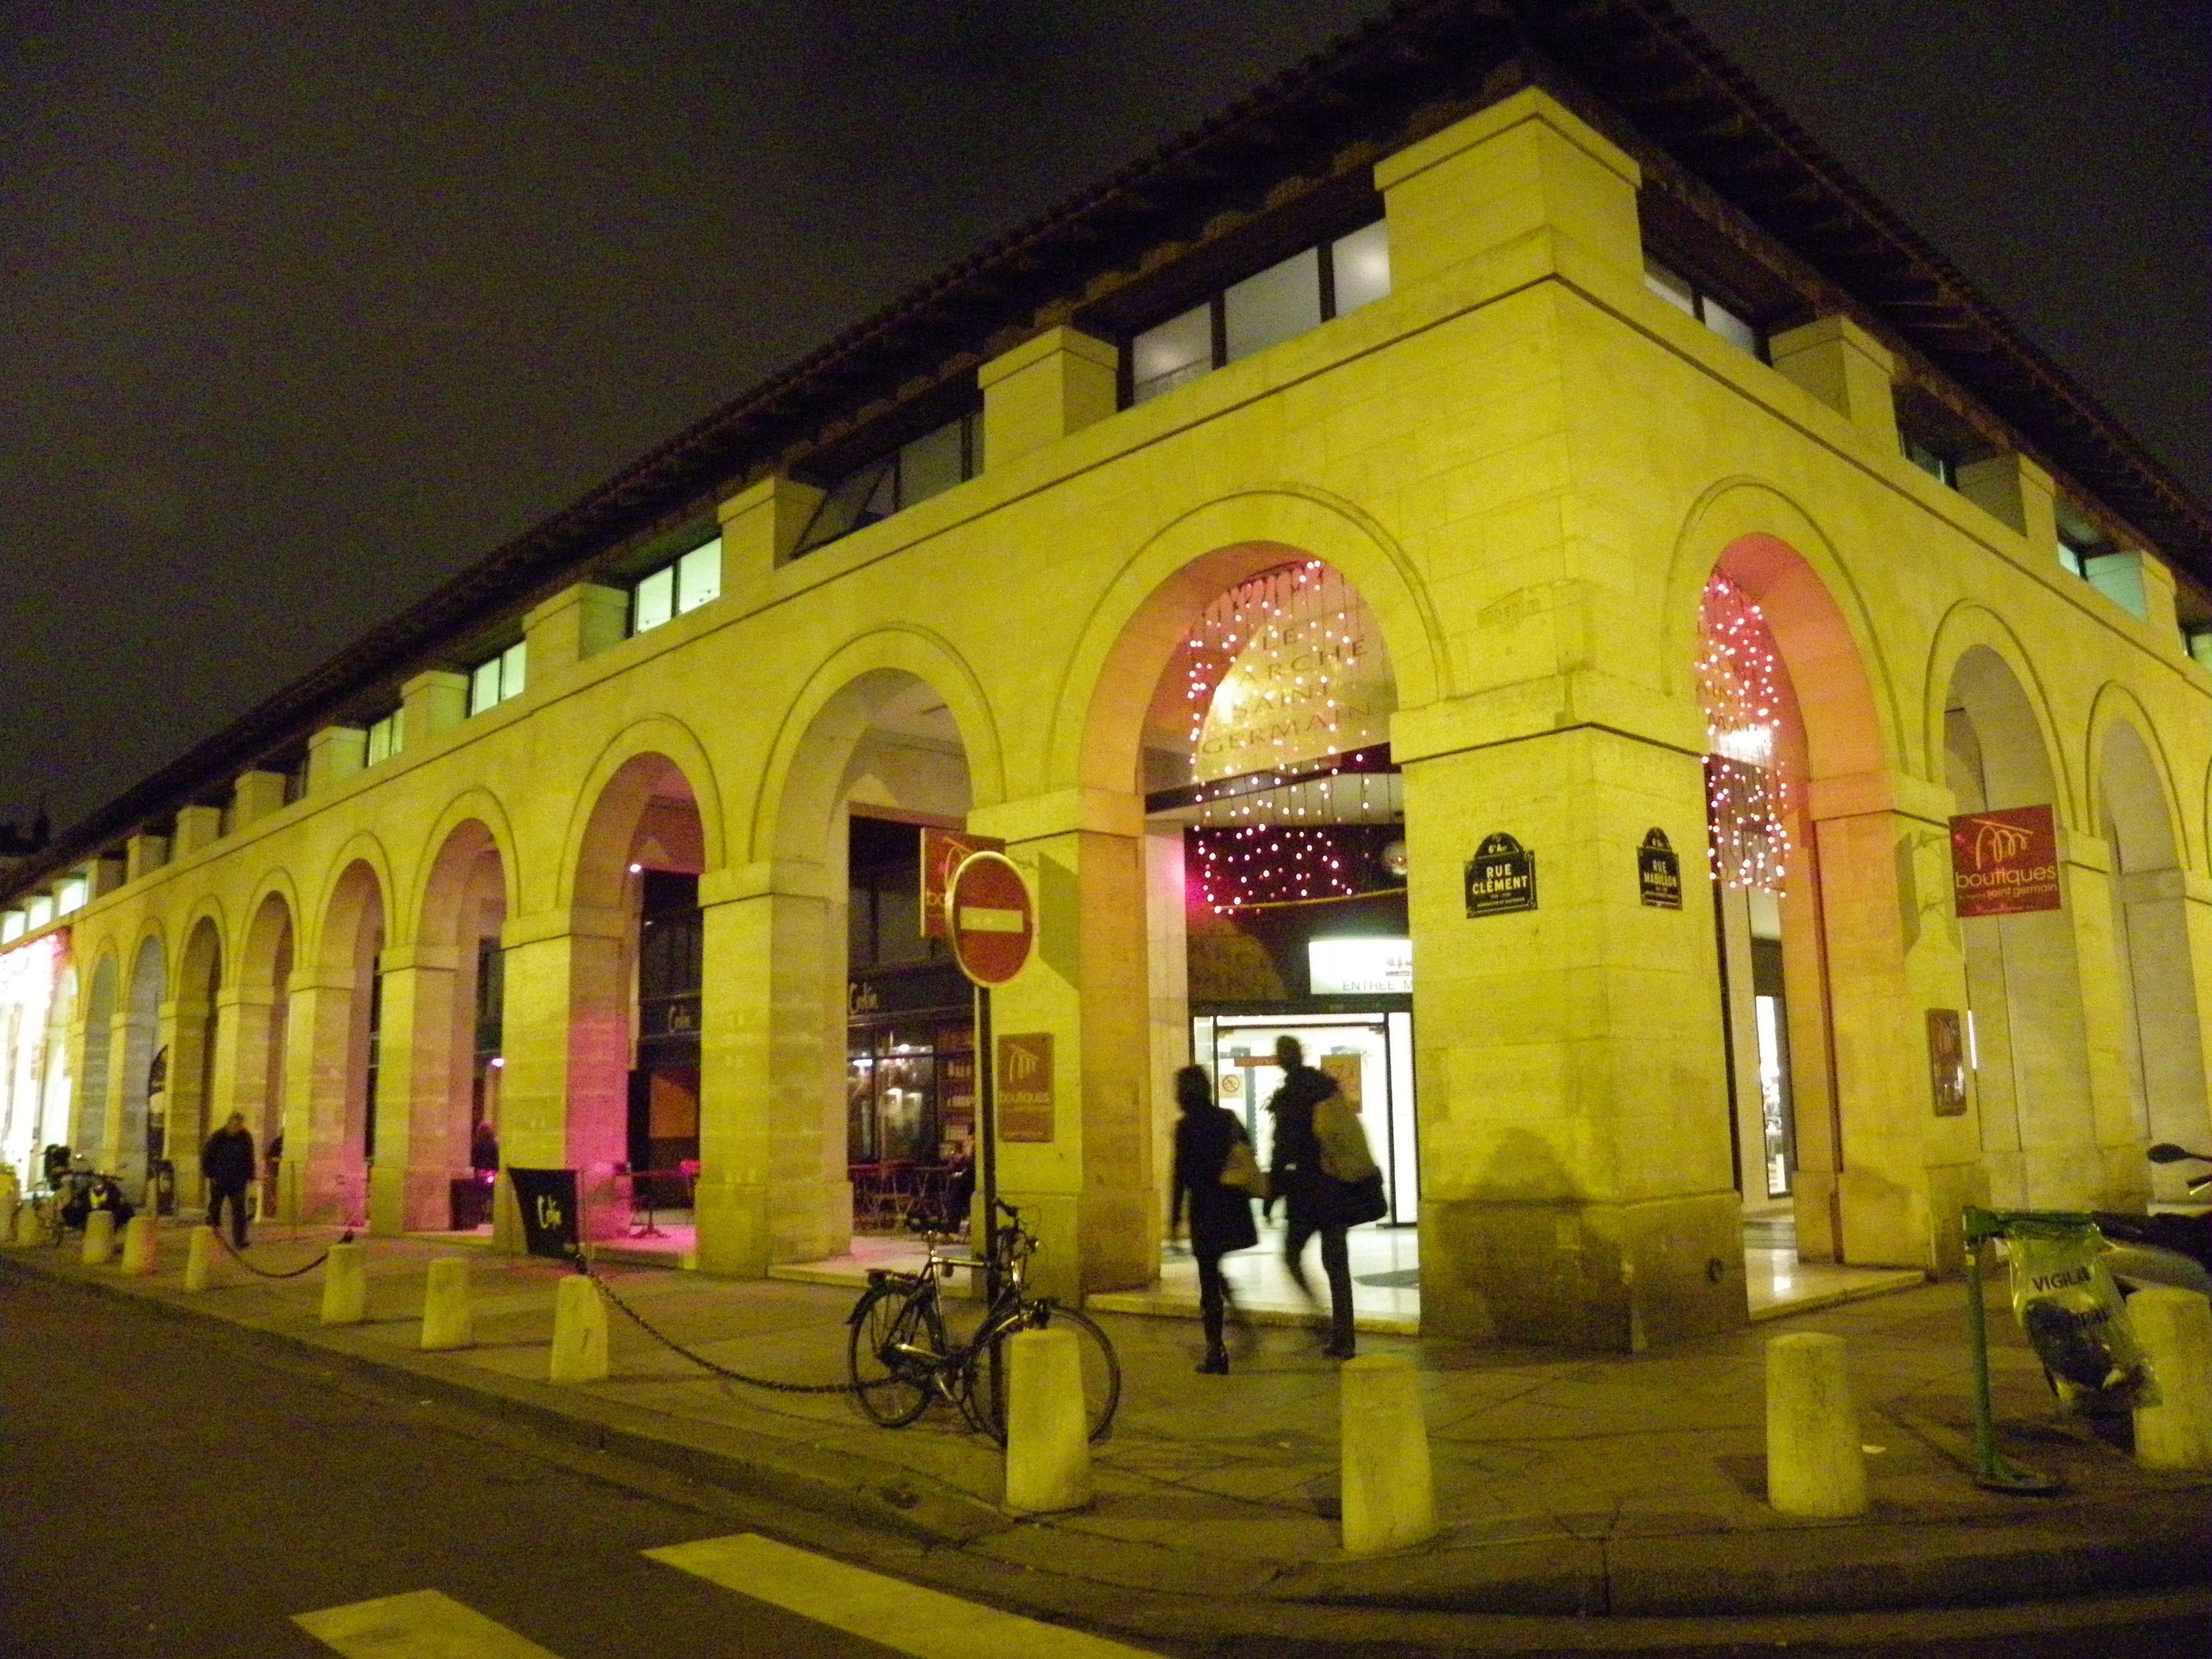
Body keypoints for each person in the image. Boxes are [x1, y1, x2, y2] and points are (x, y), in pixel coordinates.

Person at [1264, 1035, 1357, 1359]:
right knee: (1337, 1265)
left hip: (1304, 1190)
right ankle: (1345, 1337)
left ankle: (1321, 1317)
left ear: (1281, 1059)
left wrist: (1271, 1196)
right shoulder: (1326, 1088)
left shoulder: (1289, 1096)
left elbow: (1282, 1150)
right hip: (1334, 1188)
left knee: (1291, 1255)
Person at [1170, 1065, 1259, 1374]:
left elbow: (1179, 1175)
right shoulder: (1228, 1118)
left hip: (1205, 1207)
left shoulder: (1186, 1127)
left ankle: (1215, 1351)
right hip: (1230, 1204)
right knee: (1214, 1267)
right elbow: (1249, 1150)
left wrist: (1174, 1217)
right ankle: (1233, 1311)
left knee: (1208, 1277)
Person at [201, 1112, 257, 1248]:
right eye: (234, 1123)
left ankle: (239, 1241)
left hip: (238, 1180)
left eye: (239, 1124)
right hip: (219, 1179)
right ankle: (213, 1237)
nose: (237, 1127)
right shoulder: (218, 1137)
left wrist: (250, 1175)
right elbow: (207, 1155)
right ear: (229, 1123)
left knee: (239, 1211)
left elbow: (249, 1158)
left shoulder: (245, 1138)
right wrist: (210, 1174)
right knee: (215, 1209)